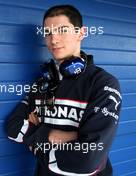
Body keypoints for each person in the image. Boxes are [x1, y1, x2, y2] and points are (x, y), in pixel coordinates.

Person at [6, 4, 122, 176]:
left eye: (62, 30)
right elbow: (13, 127)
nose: (53, 40)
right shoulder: (42, 83)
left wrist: (38, 138)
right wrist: (63, 136)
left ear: (81, 33)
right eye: (48, 33)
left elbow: (87, 159)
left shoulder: (103, 83)